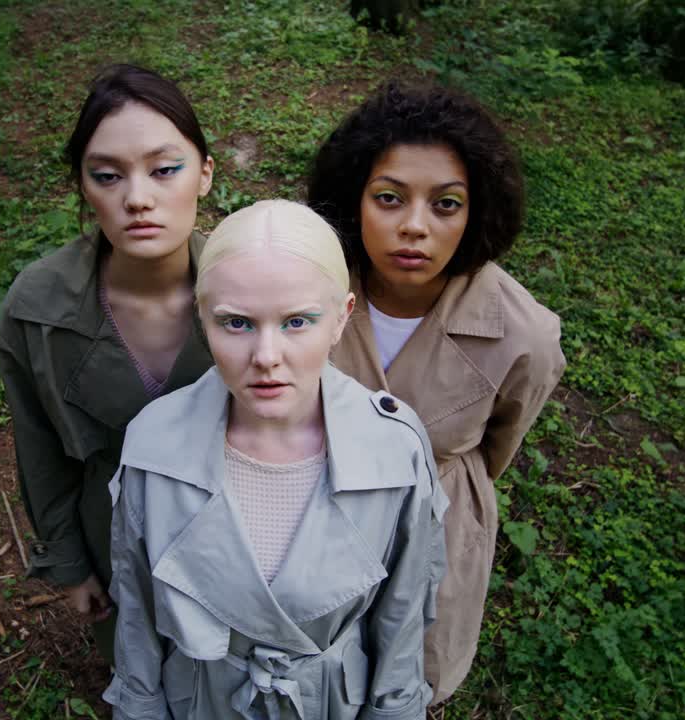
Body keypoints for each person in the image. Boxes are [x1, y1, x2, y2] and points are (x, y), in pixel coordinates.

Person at [102, 200, 447, 720]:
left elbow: (402, 619)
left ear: (341, 318)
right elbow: (136, 613)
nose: (266, 356)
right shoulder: (154, 446)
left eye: (297, 322)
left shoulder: (394, 449)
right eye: (237, 323)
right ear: (203, 318)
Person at [308, 82, 567, 703]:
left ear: (475, 211)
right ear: (354, 199)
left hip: (438, 525)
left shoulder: (525, 334)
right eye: (389, 198)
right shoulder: (305, 288)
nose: (415, 227)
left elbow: (497, 445)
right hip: (314, 507)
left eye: (446, 204)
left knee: (410, 673)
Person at [0, 64, 215, 661]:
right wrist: (69, 563)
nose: (138, 198)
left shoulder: (258, 287)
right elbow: (37, 446)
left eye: (165, 169)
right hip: (113, 535)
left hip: (240, 539)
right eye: (107, 175)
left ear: (205, 175)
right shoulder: (38, 308)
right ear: (82, 187)